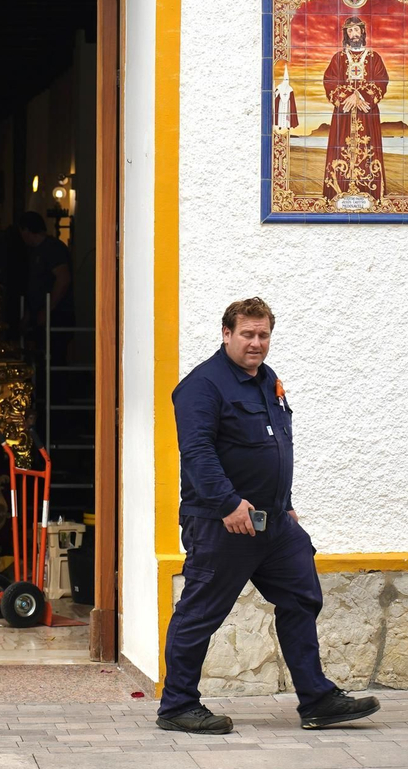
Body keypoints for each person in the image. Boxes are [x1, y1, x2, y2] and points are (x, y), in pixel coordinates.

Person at [159, 298, 379, 734]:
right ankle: (177, 706)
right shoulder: (202, 386)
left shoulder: (267, 380)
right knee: (201, 612)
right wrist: (227, 504)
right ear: (226, 334)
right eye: (247, 334)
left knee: (300, 598)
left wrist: (286, 500)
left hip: (275, 522)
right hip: (223, 523)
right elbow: (197, 453)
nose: (256, 343)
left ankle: (317, 699)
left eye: (263, 335)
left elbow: (275, 443)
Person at [321, 16, 388, 204]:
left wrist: (361, 97)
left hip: (367, 114)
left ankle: (371, 194)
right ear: (346, 35)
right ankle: (337, 192)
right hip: (343, 115)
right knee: (341, 148)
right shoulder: (339, 58)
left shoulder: (374, 57)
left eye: (356, 30)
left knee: (368, 151)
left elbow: (381, 80)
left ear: (363, 32)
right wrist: (348, 97)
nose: (353, 34)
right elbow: (330, 81)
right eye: (350, 31)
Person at [19, 211, 72, 332]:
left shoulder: (53, 248)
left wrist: (47, 310)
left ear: (26, 230)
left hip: (56, 317)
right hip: (39, 316)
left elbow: (63, 279)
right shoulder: (34, 251)